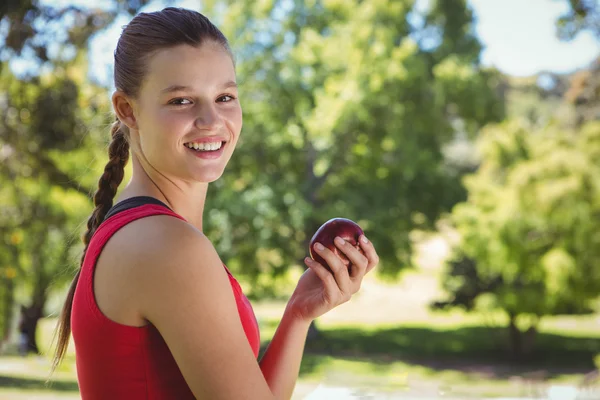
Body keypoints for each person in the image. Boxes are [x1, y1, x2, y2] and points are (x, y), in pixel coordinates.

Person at [52, 7, 379, 399]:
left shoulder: (141, 232)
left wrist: (298, 314)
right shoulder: (166, 246)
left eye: (225, 96)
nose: (211, 120)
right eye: (181, 101)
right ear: (128, 110)